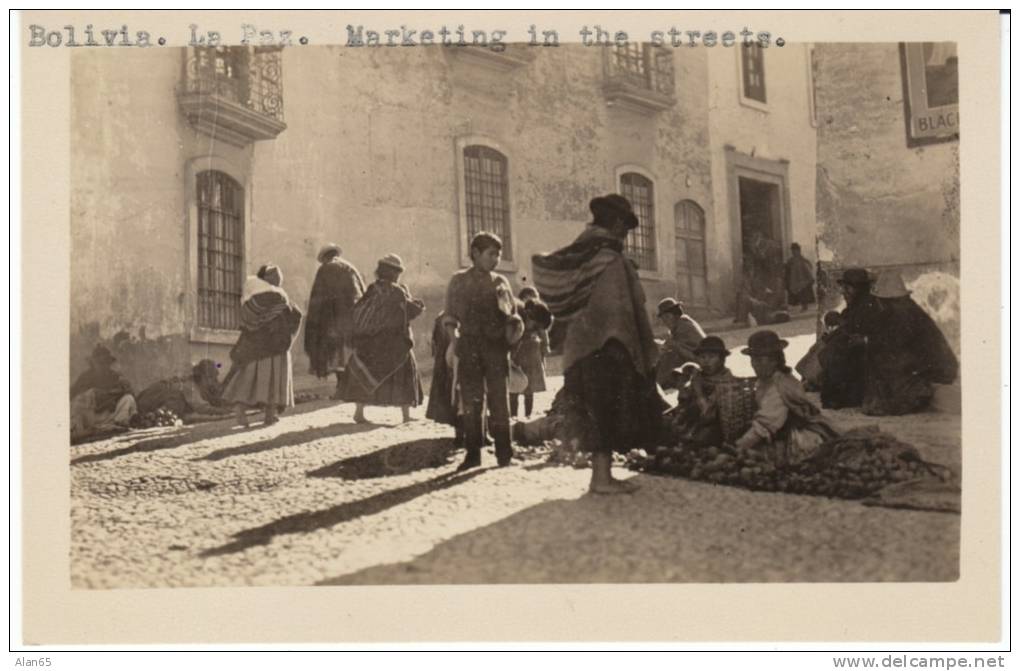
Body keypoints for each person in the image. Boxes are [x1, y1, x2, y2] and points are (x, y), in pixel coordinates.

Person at [532, 194, 666, 494]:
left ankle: (601, 477)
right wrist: (637, 348)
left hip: (581, 348)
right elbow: (619, 310)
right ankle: (601, 479)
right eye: (625, 227)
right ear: (616, 224)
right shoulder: (610, 259)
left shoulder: (583, 254)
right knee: (606, 412)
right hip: (609, 347)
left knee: (594, 412)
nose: (626, 234)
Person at [443, 232, 523, 470]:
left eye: (498, 255)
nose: (496, 259)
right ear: (475, 254)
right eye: (491, 254)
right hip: (469, 347)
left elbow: (512, 316)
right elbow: (450, 317)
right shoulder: (458, 281)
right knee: (471, 403)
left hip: (496, 350)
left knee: (500, 401)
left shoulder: (501, 282)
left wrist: (512, 329)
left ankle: (504, 454)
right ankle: (472, 455)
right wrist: (455, 343)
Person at [731, 330, 839, 465]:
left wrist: (739, 446)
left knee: (759, 457)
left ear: (774, 361)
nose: (754, 364)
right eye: (753, 359)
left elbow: (766, 423)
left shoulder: (780, 385)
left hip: (799, 438)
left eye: (759, 360)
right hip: (779, 429)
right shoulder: (766, 381)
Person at [342, 254, 426, 424]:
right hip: (394, 342)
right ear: (395, 273)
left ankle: (359, 412)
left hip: (370, 343)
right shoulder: (397, 291)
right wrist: (418, 306)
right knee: (405, 373)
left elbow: (361, 309)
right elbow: (407, 311)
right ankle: (406, 415)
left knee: (365, 373)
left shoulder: (372, 288)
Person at [861, 271, 959, 416]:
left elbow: (900, 355)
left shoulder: (904, 315)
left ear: (885, 300)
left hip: (933, 371)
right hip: (926, 367)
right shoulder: (903, 310)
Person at [222, 264, 303, 428]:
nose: (279, 278)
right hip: (275, 346)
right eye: (276, 275)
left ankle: (241, 408)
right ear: (268, 279)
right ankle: (269, 415)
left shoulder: (251, 300)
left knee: (249, 379)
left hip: (253, 346)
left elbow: (248, 323)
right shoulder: (279, 297)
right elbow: (293, 316)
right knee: (274, 379)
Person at [304, 243, 366, 398]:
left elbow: (318, 298)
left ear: (325, 257)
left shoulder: (325, 269)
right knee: (348, 357)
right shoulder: (351, 268)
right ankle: (348, 389)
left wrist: (315, 323)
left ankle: (342, 389)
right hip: (352, 322)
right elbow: (362, 293)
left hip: (332, 322)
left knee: (337, 359)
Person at [819, 268, 883, 409]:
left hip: (867, 357)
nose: (844, 292)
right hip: (854, 354)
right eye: (844, 288)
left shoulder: (871, 306)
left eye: (848, 288)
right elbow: (846, 324)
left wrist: (859, 338)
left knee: (837, 352)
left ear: (860, 288)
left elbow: (878, 335)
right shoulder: (853, 307)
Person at [664, 336, 737, 446]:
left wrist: (698, 389)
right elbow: (684, 404)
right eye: (702, 357)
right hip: (693, 423)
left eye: (711, 357)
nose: (706, 361)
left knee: (702, 438)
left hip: (715, 427)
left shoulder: (726, 381)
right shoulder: (699, 376)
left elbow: (707, 414)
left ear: (722, 359)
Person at [70, 345, 138, 441]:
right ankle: (85, 430)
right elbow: (72, 394)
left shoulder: (115, 376)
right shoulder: (85, 377)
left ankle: (116, 425)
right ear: (93, 363)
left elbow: (129, 393)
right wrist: (91, 396)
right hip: (90, 416)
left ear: (109, 364)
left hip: (109, 415)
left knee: (128, 399)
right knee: (79, 401)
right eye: (100, 363)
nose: (103, 365)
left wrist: (115, 396)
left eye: (106, 363)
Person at [425, 310, 463, 446]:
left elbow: (433, 345)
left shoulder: (441, 317)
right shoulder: (456, 316)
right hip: (453, 361)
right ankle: (461, 433)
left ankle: (458, 433)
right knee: (457, 396)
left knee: (453, 396)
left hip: (444, 363)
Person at [510, 297, 553, 419]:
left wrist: (544, 349)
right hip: (517, 357)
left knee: (530, 389)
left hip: (532, 357)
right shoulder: (518, 317)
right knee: (514, 388)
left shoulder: (538, 324)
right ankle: (513, 416)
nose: (535, 327)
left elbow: (544, 336)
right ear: (529, 316)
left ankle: (528, 415)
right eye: (536, 325)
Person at [654, 297, 707, 389]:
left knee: (669, 356)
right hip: (697, 359)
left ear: (675, 314)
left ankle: (657, 384)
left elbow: (676, 347)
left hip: (703, 362)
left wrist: (667, 345)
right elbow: (673, 344)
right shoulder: (679, 324)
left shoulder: (683, 326)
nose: (665, 321)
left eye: (667, 317)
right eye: (663, 318)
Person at [784, 242, 816, 311]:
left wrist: (809, 277)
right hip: (794, 280)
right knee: (796, 292)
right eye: (793, 251)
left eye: (795, 250)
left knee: (803, 293)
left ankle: (804, 306)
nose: (794, 252)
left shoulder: (803, 260)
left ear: (799, 251)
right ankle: (798, 305)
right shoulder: (790, 261)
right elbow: (787, 269)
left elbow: (809, 267)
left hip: (802, 280)